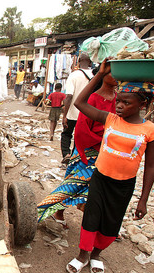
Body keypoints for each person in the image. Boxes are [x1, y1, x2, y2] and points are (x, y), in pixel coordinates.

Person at [66, 59, 154, 273]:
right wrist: (99, 75)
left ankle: (97, 255)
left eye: (126, 103)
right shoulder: (110, 119)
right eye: (118, 101)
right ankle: (83, 255)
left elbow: (151, 167)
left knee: (111, 221)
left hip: (124, 184)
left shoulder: (151, 130)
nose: (119, 106)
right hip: (100, 178)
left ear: (142, 105)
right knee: (91, 216)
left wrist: (143, 199)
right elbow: (80, 103)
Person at [37, 68, 117, 225]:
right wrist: (98, 146)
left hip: (110, 151)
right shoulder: (94, 98)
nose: (115, 76)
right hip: (89, 150)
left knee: (99, 189)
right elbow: (81, 130)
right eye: (111, 73)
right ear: (102, 75)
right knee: (71, 186)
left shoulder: (119, 99)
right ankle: (50, 211)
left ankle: (97, 224)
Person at [61, 53, 93, 164]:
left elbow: (69, 96)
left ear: (78, 61)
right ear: (90, 62)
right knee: (78, 137)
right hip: (88, 113)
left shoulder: (74, 75)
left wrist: (64, 115)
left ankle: (66, 154)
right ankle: (75, 157)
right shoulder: (95, 75)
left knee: (66, 134)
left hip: (72, 113)